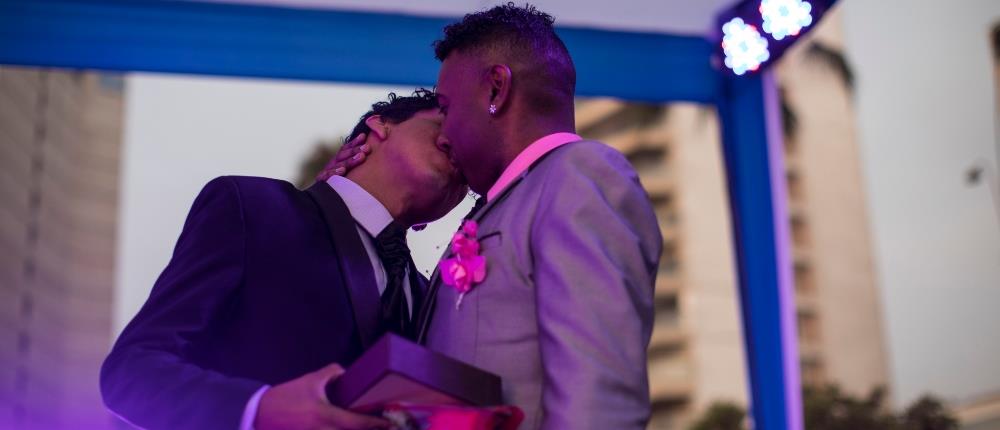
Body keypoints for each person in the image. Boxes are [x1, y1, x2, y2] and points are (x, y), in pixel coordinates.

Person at [330, 4, 662, 429]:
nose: (444, 133)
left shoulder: (578, 175)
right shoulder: (511, 199)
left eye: (446, 108)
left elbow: (598, 401)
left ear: (495, 90)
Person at [100, 89, 467, 430]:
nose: (457, 142)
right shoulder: (252, 208)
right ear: (380, 125)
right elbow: (130, 371)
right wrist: (257, 409)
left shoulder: (428, 296)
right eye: (442, 122)